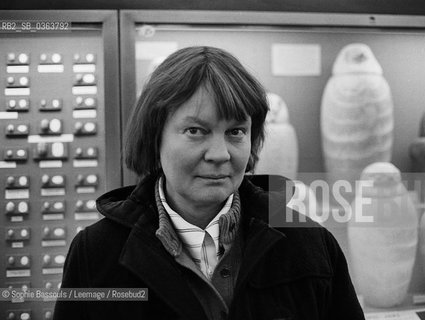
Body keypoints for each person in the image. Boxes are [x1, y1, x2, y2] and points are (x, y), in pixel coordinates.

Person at [53, 46, 365, 320]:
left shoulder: (310, 243)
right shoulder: (95, 254)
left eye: (236, 132)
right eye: (196, 131)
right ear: (154, 136)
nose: (220, 155)